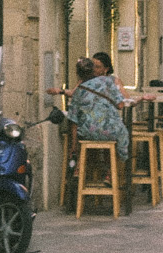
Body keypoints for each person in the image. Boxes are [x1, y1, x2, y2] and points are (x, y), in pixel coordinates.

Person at [49, 57, 132, 213]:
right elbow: (121, 104)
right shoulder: (108, 82)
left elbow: (73, 121)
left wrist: (74, 147)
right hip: (111, 131)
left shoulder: (79, 91)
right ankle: (110, 175)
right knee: (121, 139)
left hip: (89, 133)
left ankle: (80, 169)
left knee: (86, 141)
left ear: (78, 75)